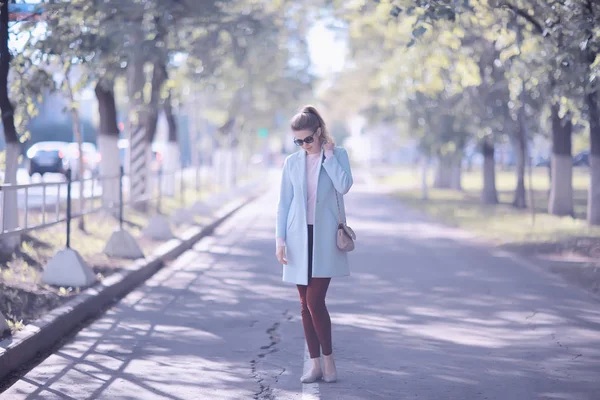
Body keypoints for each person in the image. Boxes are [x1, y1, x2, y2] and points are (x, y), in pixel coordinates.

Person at [275, 105, 353, 384]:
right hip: (297, 238)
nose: (304, 145)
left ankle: (330, 361)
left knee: (314, 300)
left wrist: (329, 157)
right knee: (303, 305)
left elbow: (344, 186)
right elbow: (284, 204)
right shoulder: (292, 163)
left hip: (325, 238)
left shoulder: (338, 154)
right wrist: (280, 240)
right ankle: (315, 365)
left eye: (308, 139)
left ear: (318, 132)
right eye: (298, 141)